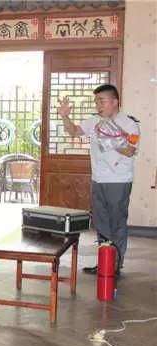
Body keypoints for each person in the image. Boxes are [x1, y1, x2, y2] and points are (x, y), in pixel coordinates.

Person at [57, 84, 140, 276]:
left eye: (101, 101)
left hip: (118, 180)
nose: (98, 106)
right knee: (101, 224)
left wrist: (108, 136)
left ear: (115, 101)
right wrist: (65, 117)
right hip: (98, 179)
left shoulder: (130, 124)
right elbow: (74, 131)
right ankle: (105, 262)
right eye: (96, 102)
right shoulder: (95, 120)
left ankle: (116, 265)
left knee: (117, 223)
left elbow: (129, 150)